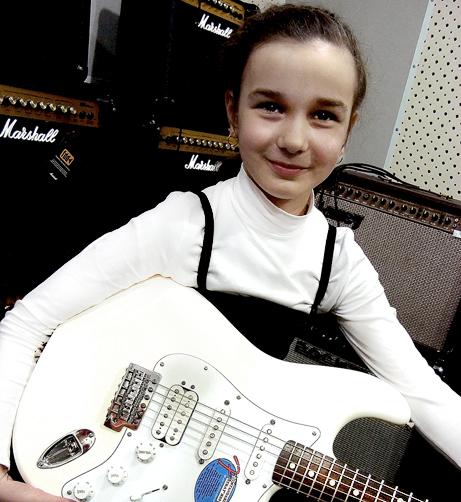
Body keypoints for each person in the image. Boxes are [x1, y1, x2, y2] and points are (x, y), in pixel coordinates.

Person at [1, 3, 460, 501]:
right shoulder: (183, 225)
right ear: (232, 112)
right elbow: (25, 325)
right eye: (271, 107)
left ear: (348, 130)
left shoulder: (340, 264)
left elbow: (423, 393)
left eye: (324, 115)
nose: (294, 139)